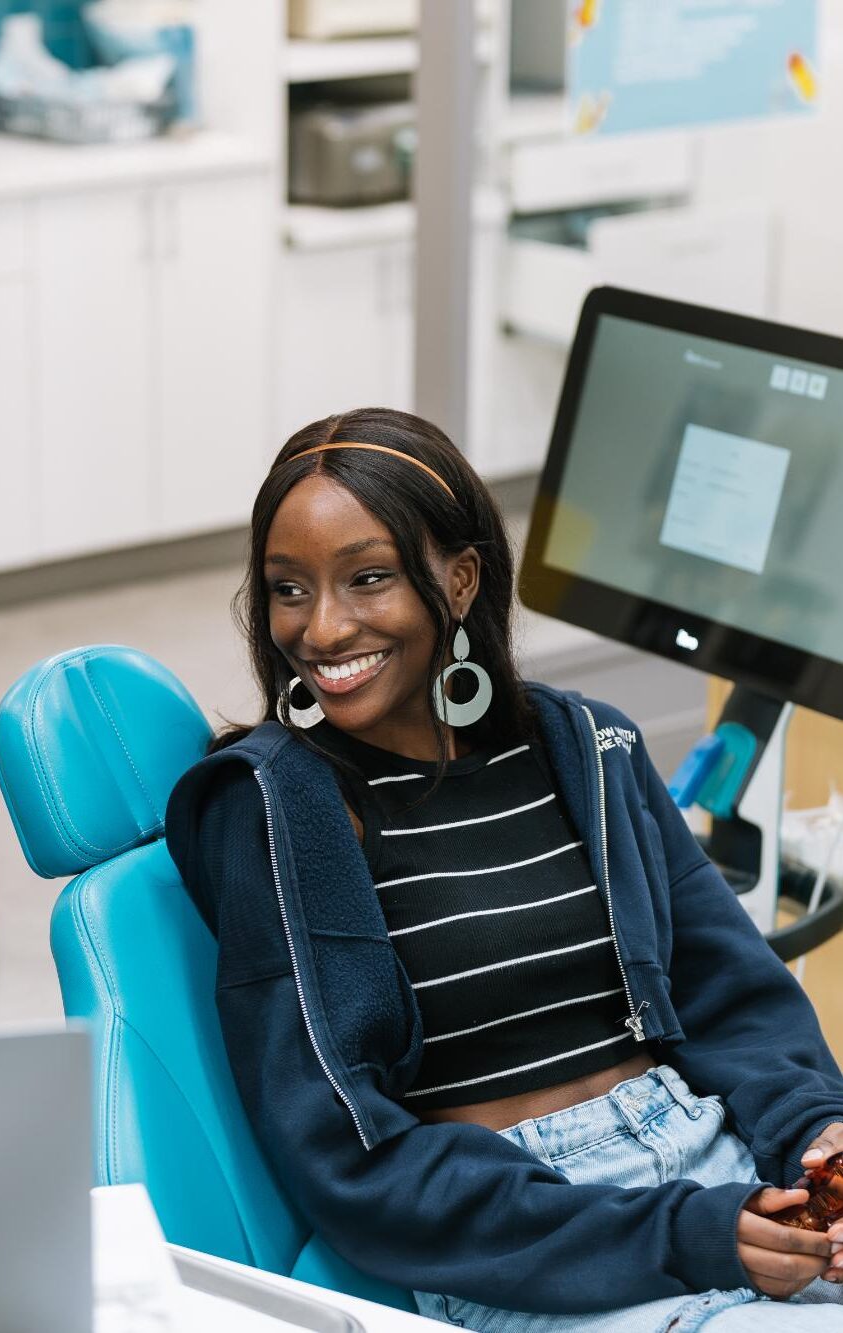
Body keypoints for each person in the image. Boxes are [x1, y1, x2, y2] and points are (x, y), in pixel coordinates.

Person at [165, 408, 843, 1330]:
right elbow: (349, 1154)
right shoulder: (275, 811)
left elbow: (729, 995)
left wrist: (815, 1132)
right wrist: (679, 1233)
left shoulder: (585, 744)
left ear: (459, 579)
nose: (321, 629)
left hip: (722, 1174)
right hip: (530, 1241)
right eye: (289, 589)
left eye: (367, 578)